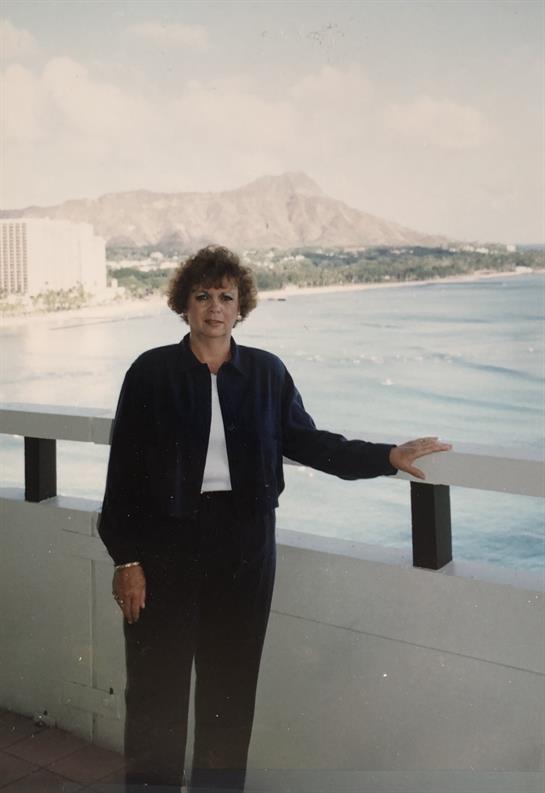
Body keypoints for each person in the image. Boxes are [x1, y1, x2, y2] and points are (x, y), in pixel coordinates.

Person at [98, 245, 451, 792]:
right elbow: (121, 476)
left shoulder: (266, 372)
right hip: (166, 547)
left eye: (226, 297)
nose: (214, 307)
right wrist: (128, 558)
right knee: (155, 690)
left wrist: (385, 457)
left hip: (245, 546)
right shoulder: (149, 372)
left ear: (242, 308)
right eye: (202, 296)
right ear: (183, 305)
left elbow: (308, 442)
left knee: (230, 691)